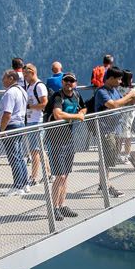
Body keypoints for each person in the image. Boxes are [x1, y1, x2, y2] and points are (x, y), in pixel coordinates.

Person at [46, 73, 86, 221]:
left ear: (76, 83)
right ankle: (54, 208)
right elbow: (57, 114)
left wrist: (81, 112)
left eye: (72, 81)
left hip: (68, 138)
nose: (69, 83)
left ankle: (62, 205)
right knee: (60, 176)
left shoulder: (76, 94)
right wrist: (77, 117)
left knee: (66, 175)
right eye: (66, 80)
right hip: (56, 139)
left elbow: (84, 108)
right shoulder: (58, 97)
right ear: (62, 82)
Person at [94, 67, 135, 196]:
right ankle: (106, 186)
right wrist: (129, 95)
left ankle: (105, 184)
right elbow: (113, 105)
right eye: (118, 79)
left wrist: (134, 98)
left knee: (109, 158)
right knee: (106, 159)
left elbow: (123, 103)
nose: (120, 81)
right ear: (110, 78)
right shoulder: (101, 92)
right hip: (104, 129)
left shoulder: (114, 90)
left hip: (114, 129)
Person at [0, 68, 30, 195]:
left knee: (13, 157)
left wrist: (1, 129)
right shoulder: (22, 91)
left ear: (11, 78)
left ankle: (18, 186)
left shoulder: (10, 93)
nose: (2, 80)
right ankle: (25, 183)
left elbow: (7, 114)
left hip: (11, 126)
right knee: (20, 155)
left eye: (4, 77)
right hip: (20, 124)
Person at [23, 63, 49, 185]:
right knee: (39, 149)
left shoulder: (39, 86)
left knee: (34, 151)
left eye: (26, 75)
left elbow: (44, 103)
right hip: (30, 120)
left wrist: (30, 106)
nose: (25, 77)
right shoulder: (29, 86)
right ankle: (48, 173)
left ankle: (34, 177)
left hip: (36, 121)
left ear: (32, 72)